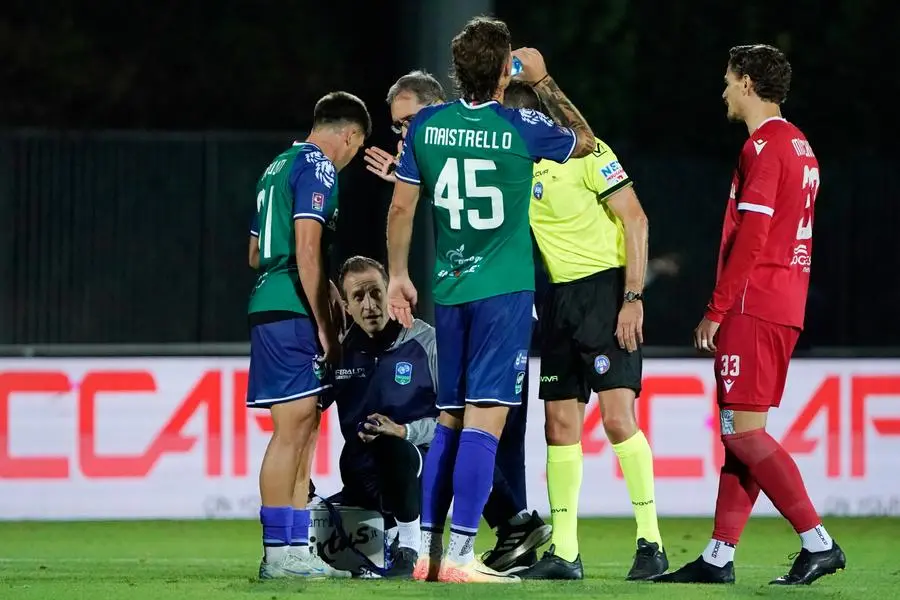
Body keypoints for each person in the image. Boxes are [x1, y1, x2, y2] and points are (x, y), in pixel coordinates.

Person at [386, 16, 596, 583]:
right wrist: (545, 80)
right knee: (486, 421)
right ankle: (458, 556)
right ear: (506, 70)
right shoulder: (521, 125)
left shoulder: (427, 125)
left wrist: (397, 275)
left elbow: (402, 207)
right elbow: (587, 142)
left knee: (449, 419)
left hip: (449, 293)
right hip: (502, 294)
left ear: (456, 74)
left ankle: (427, 555)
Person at [653, 44, 845, 585]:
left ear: (748, 84)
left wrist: (717, 308)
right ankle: (718, 557)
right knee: (743, 434)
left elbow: (754, 234)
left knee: (741, 434)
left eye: (728, 79)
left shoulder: (764, 146)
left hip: (754, 302)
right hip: (785, 300)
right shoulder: (800, 144)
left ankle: (817, 540)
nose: (723, 90)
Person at [365, 69, 550, 573]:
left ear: (432, 109)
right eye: (398, 128)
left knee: (487, 427)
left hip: (494, 297)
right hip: (485, 297)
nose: (403, 135)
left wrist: (410, 175)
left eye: (407, 123)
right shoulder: (461, 139)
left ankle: (498, 535)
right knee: (480, 424)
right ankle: (508, 531)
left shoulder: (466, 137)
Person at [502, 80, 667, 581]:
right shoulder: (515, 166)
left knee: (618, 420)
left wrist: (632, 297)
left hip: (604, 292)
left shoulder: (586, 152)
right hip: (555, 300)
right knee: (559, 427)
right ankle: (565, 554)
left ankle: (651, 543)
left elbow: (636, 220)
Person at [246, 91, 371, 580]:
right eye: (356, 148)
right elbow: (306, 244)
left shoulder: (276, 166)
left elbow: (256, 252)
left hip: (271, 298)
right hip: (291, 308)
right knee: (292, 427)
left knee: (304, 428)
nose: (352, 157)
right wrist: (324, 320)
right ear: (349, 135)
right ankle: (279, 553)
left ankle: (296, 546)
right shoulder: (318, 166)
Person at [318, 255, 440, 578]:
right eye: (358, 297)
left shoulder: (425, 341)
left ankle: (412, 546)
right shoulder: (340, 351)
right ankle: (385, 539)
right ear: (346, 305)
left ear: (390, 291)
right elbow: (307, 412)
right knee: (313, 524)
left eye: (376, 292)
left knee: (390, 446)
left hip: (416, 471)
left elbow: (457, 419)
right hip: (363, 479)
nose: (370, 304)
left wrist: (406, 431)